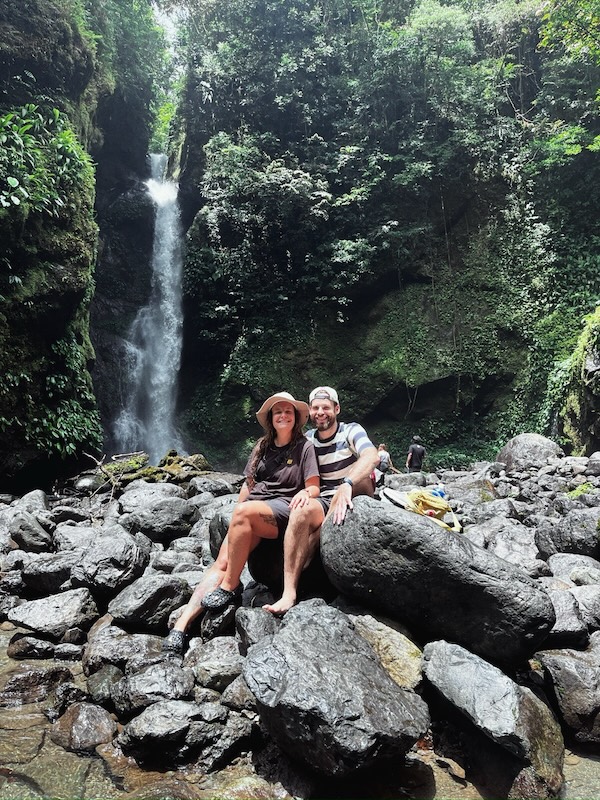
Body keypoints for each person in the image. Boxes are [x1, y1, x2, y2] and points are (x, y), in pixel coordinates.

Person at [162, 391, 319, 654]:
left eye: (288, 411)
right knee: (221, 563)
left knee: (243, 516)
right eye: (277, 411)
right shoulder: (262, 446)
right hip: (253, 510)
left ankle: (231, 586)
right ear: (271, 418)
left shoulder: (305, 447)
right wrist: (236, 515)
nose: (283, 415)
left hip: (282, 509)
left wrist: (305, 493)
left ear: (296, 418)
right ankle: (181, 626)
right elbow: (248, 487)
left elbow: (313, 487)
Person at [263, 386, 379, 616]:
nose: (320, 412)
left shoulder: (351, 431)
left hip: (354, 491)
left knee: (362, 478)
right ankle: (289, 593)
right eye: (315, 408)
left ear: (336, 409)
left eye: (326, 407)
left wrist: (346, 483)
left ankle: (318, 538)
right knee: (299, 512)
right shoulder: (307, 441)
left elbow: (371, 456)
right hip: (325, 498)